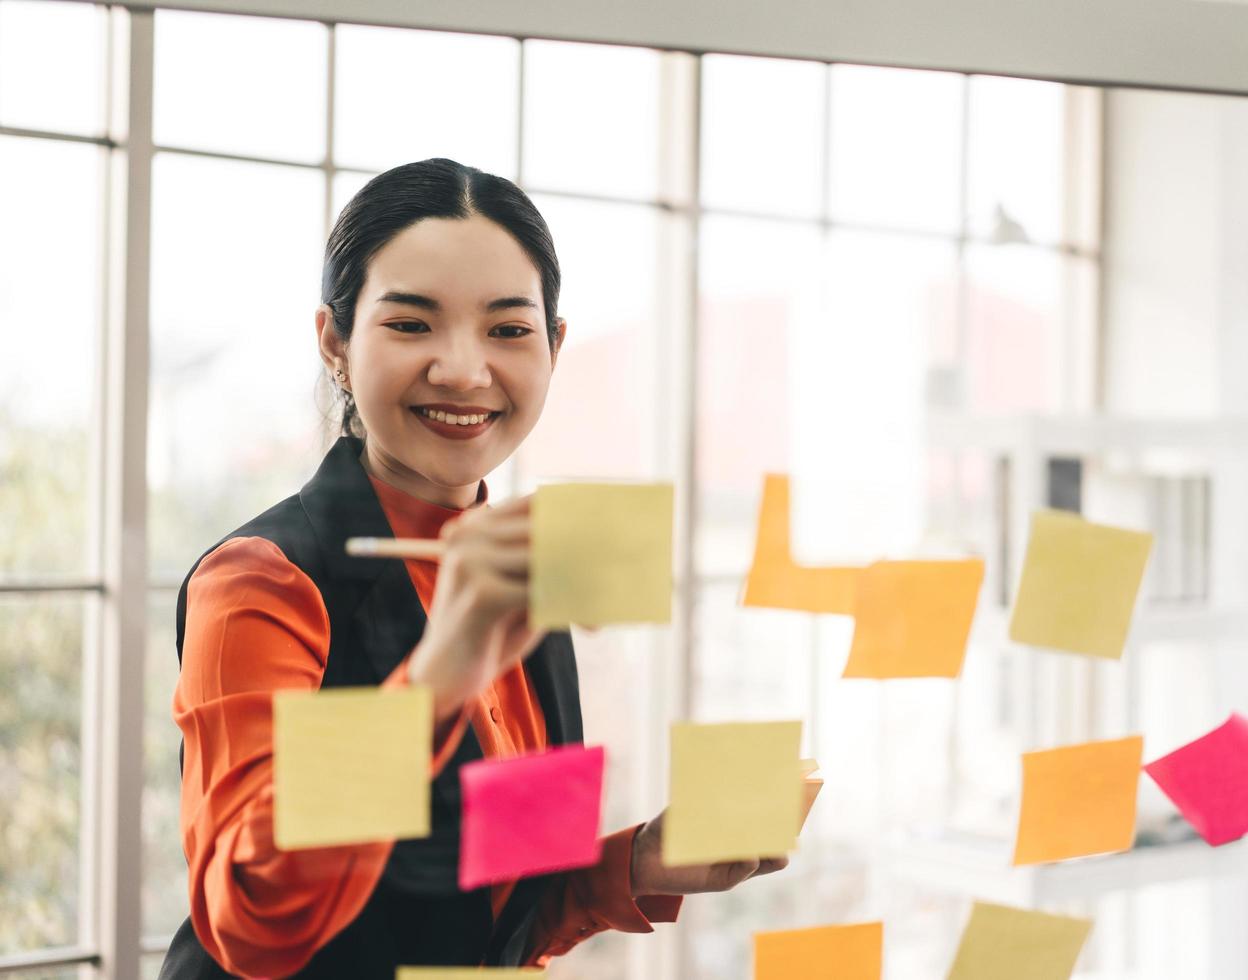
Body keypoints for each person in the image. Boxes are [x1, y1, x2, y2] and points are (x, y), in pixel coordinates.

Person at [159, 158, 788, 979]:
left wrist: (639, 865)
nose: (463, 369)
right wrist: (438, 676)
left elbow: (496, 908)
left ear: (554, 349)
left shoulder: (526, 573)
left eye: (508, 329)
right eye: (413, 324)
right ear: (336, 343)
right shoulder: (263, 581)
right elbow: (250, 919)